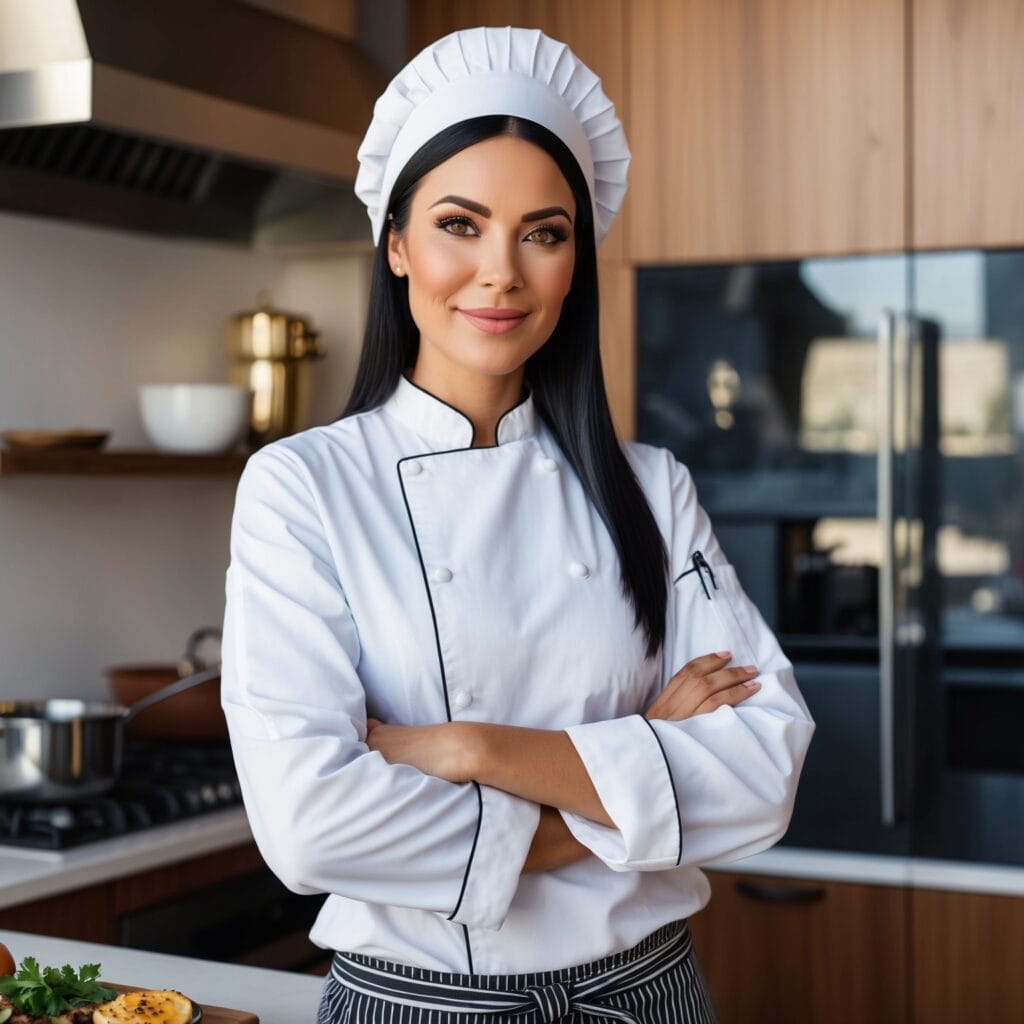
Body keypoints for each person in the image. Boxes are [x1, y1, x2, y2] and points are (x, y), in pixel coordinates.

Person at [220, 25, 815, 1024]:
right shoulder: (303, 487)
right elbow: (311, 827)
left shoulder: (650, 486)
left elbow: (763, 767)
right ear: (398, 243)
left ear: (574, 261)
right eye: (460, 223)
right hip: (411, 1004)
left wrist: (468, 747)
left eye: (543, 232)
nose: (501, 272)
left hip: (648, 993)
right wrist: (635, 760)